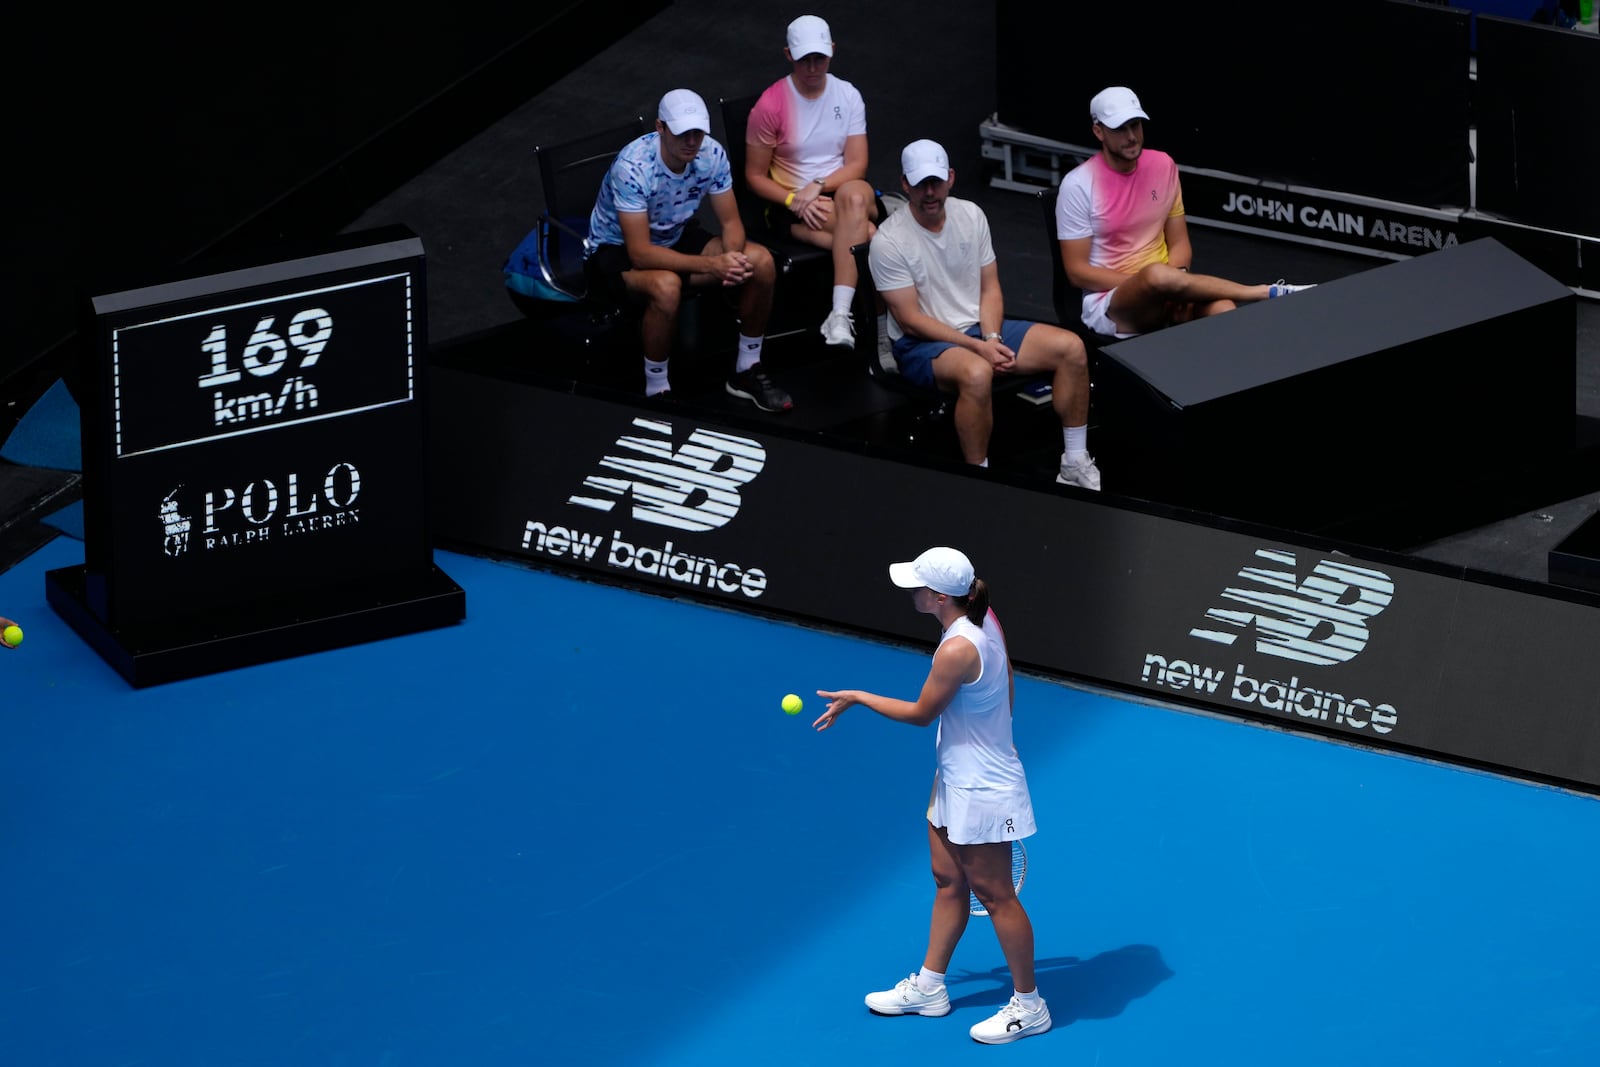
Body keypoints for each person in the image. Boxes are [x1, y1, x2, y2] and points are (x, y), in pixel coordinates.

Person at [814, 546, 1050, 1046]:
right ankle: (930, 988)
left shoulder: (957, 647)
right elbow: (1006, 675)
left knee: (996, 895)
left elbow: (922, 713)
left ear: (939, 597)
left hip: (982, 788)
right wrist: (994, 732)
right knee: (947, 879)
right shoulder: (984, 619)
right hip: (955, 775)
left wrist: (857, 697)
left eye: (916, 586)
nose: (910, 591)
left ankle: (1030, 1006)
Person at [869, 139, 1100, 490]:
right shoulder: (888, 241)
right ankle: (979, 480)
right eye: (919, 184)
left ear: (950, 178)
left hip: (980, 330)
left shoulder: (971, 215)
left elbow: (990, 288)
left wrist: (991, 338)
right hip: (920, 346)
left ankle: (1074, 461)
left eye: (935, 182)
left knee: (1071, 348)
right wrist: (979, 348)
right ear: (904, 184)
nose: (929, 192)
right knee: (977, 373)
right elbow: (910, 320)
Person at [584, 88, 792, 411]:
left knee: (761, 262)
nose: (692, 141)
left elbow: (732, 224)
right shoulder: (633, 167)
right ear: (660, 128)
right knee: (667, 287)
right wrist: (712, 267)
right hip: (616, 251)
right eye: (683, 133)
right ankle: (657, 390)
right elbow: (640, 253)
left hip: (675, 235)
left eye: (698, 133)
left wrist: (732, 262)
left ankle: (747, 369)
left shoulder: (710, 154)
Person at [1056, 86, 1314, 339]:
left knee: (1223, 309)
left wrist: (1176, 278)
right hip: (1112, 303)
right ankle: (1262, 292)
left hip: (1169, 288)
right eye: (1120, 129)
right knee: (1155, 275)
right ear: (1098, 131)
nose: (1131, 136)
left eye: (1135, 125)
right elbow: (1077, 272)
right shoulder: (1078, 184)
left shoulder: (1163, 165)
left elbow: (1179, 241)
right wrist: (1154, 284)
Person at [743, 14, 882, 352]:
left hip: (840, 190)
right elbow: (755, 176)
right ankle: (880, 336)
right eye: (804, 58)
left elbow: (857, 164)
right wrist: (795, 201)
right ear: (789, 54)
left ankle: (839, 314)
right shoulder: (771, 105)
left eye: (819, 57)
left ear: (832, 51)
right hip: (793, 205)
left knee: (854, 196)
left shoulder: (848, 95)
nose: (812, 66)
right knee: (872, 239)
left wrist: (817, 185)